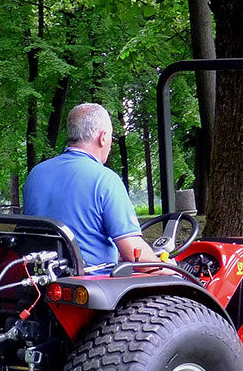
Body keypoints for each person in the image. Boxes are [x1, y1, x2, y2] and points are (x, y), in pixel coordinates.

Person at [22, 103, 159, 269]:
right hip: (91, 283)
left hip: (40, 277)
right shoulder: (105, 179)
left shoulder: (36, 174)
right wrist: (165, 266)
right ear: (103, 137)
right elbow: (136, 254)